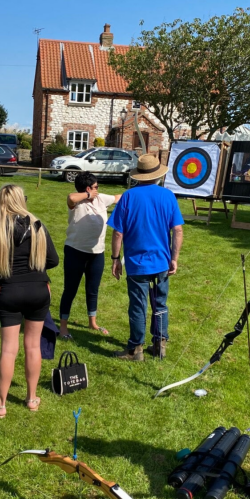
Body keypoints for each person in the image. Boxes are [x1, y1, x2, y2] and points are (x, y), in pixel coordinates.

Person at [0, 184, 59, 417]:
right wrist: (33, 265)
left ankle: (0, 405)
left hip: (9, 292)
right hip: (38, 290)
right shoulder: (37, 226)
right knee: (33, 345)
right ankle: (31, 398)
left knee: (8, 350)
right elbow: (53, 260)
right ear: (21, 200)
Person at [108, 154, 184, 361]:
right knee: (160, 304)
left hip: (137, 263)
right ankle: (160, 344)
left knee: (138, 305)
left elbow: (118, 232)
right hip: (161, 262)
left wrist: (115, 258)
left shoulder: (128, 197)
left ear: (138, 175)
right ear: (158, 175)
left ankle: (136, 349)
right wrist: (174, 258)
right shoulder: (167, 196)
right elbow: (177, 230)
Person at [58, 172, 121, 340]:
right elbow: (71, 197)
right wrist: (87, 195)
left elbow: (118, 197)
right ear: (87, 188)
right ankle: (63, 326)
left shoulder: (101, 199)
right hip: (75, 251)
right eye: (95, 187)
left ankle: (92, 322)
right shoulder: (77, 202)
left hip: (96, 253)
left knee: (92, 290)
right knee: (70, 290)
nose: (98, 190)